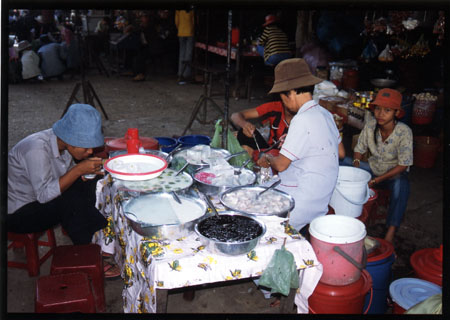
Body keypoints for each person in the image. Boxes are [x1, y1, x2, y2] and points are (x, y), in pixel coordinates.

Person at [7, 103, 120, 278]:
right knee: (71, 202)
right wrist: (78, 171)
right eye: (85, 147)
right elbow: (44, 195)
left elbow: (61, 179)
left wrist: (82, 173)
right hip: (17, 213)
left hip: (39, 198)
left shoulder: (63, 143)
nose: (90, 151)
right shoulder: (36, 149)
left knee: (93, 181)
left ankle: (101, 239)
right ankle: (91, 254)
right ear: (69, 139)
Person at [256, 58, 342, 234]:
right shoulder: (325, 114)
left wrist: (267, 158)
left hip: (301, 201)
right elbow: (340, 152)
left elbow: (280, 165)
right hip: (321, 198)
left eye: (282, 97)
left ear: (291, 93)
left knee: (257, 213)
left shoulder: (301, 120)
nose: (284, 103)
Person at [341, 88, 413, 243]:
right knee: (342, 163)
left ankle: (391, 231)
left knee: (402, 185)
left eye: (387, 110)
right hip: (372, 169)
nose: (381, 114)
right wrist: (356, 166)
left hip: (393, 174)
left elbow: (403, 165)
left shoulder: (404, 132)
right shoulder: (371, 125)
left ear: (396, 113)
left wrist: (377, 181)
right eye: (378, 109)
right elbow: (359, 149)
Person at [175, 8, 195, 84]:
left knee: (181, 53)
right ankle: (186, 74)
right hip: (189, 32)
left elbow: (176, 21)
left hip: (181, 32)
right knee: (188, 54)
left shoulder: (178, 9)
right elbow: (194, 21)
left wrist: (179, 28)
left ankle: (180, 73)